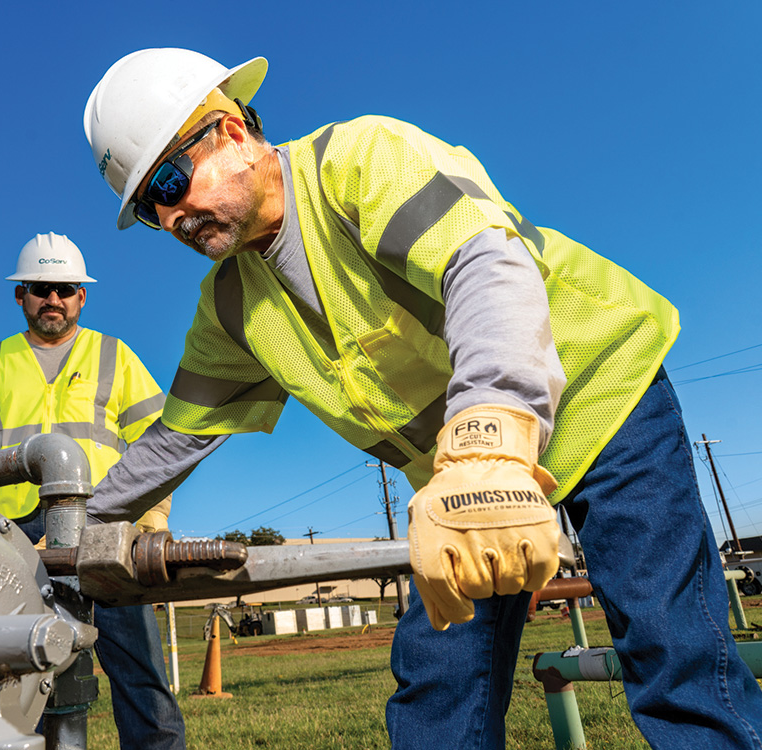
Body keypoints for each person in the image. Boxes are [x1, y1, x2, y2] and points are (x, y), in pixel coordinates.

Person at [79, 49, 762, 748]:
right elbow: (177, 438)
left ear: (226, 130)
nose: (170, 217)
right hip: (461, 479)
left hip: (596, 399)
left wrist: (491, 434)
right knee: (437, 690)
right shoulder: (229, 306)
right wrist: (75, 534)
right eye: (148, 208)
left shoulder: (357, 160)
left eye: (168, 181)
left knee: (670, 650)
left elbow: (485, 264)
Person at [0, 232, 185, 750]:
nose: (53, 299)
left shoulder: (115, 355)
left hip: (105, 532)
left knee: (139, 673)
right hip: (14, 542)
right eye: (41, 287)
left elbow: (159, 449)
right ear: (19, 295)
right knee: (24, 676)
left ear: (81, 297)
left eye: (64, 288)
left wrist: (150, 522)